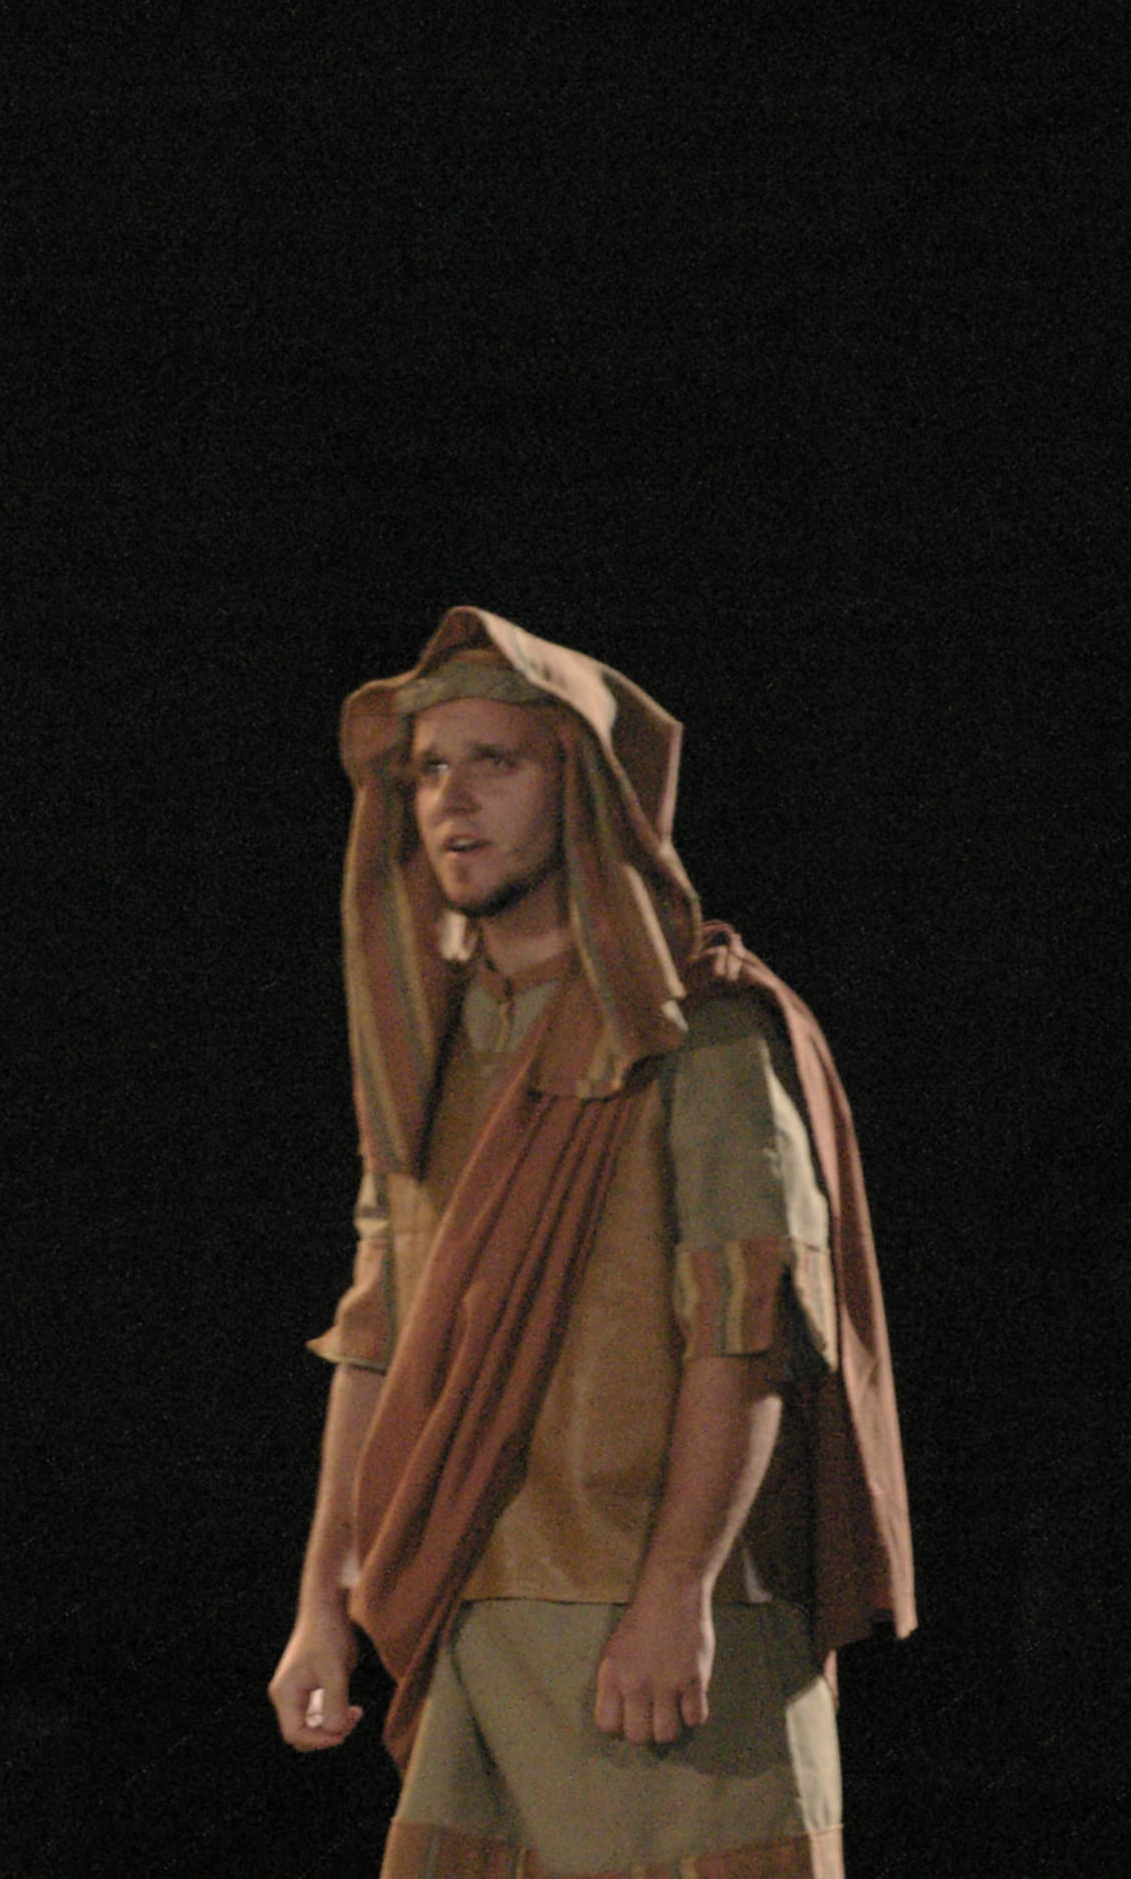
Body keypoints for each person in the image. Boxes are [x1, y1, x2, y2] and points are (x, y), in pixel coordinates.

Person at [270, 607, 914, 1879]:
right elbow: (377, 1335)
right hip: (474, 1600)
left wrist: (675, 1589)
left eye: (494, 760)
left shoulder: (702, 1034)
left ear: (583, 789)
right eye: (428, 767)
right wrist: (321, 1606)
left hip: (660, 1617)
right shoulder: (430, 1055)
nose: (451, 797)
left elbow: (745, 1333)